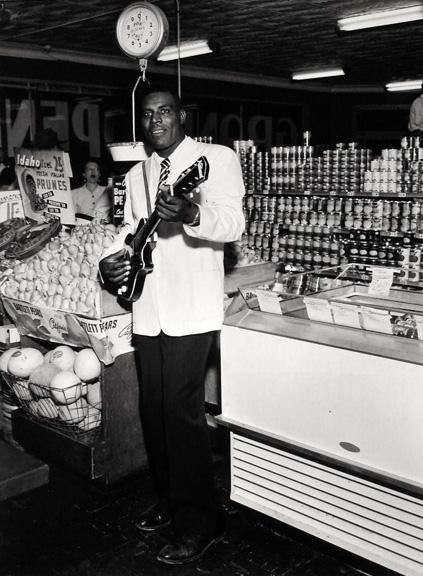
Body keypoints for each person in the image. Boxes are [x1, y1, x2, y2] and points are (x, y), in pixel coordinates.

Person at [99, 87, 245, 565]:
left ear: (181, 116)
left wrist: (192, 213)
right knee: (153, 410)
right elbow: (128, 233)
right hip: (148, 308)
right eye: (148, 114)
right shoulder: (138, 172)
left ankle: (203, 521)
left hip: (193, 309)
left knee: (182, 415)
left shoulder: (215, 159)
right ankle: (168, 501)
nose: (156, 120)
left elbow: (232, 224)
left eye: (165, 112)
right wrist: (112, 264)